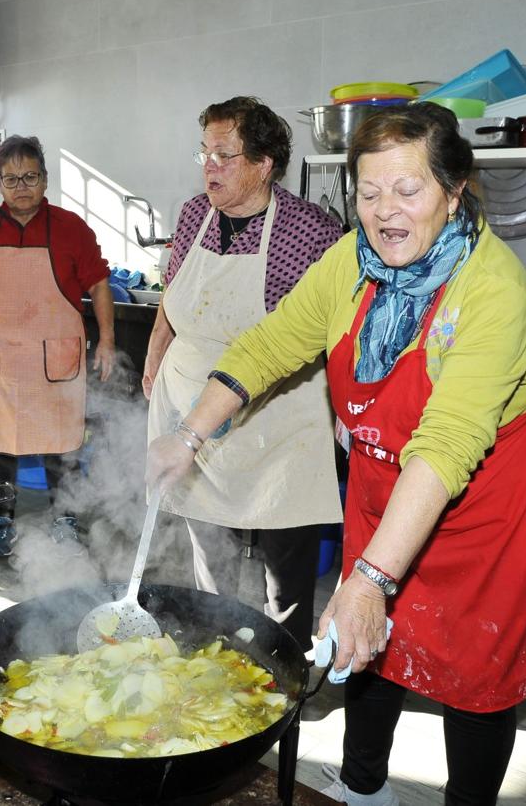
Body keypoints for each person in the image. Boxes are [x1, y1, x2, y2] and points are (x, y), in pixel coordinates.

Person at [147, 103, 526, 806]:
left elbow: (447, 443)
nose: (385, 212)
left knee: (478, 663)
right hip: (388, 473)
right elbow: (270, 343)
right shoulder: (352, 258)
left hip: (493, 490)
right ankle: (363, 786)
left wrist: (372, 575)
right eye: (368, 193)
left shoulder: (494, 292)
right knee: (367, 639)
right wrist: (189, 432)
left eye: (407, 190)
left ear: (453, 189)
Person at [143, 96, 343, 649]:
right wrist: (157, 348)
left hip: (279, 409)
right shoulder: (191, 214)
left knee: (287, 557)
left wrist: (344, 406)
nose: (209, 165)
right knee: (209, 543)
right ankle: (217, 651)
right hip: (193, 404)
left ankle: (284, 667)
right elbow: (172, 292)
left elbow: (337, 327)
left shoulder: (310, 231)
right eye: (204, 153)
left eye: (224, 155)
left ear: (263, 164)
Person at [0, 135, 116, 557]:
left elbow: (99, 284)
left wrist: (108, 341)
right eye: (10, 179)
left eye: (30, 177)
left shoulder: (72, 228)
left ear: (45, 179)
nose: (21, 186)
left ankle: (65, 518)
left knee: (62, 443)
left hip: (54, 361)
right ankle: (2, 519)